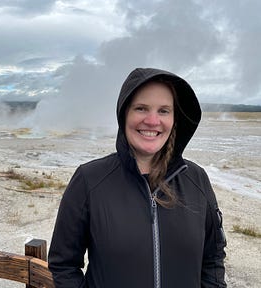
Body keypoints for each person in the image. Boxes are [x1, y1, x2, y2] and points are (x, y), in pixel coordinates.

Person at [48, 67, 227, 288]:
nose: (152, 121)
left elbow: (213, 259)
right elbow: (63, 265)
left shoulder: (196, 179)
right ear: (124, 114)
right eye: (141, 108)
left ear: (175, 119)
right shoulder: (89, 180)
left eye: (164, 111)